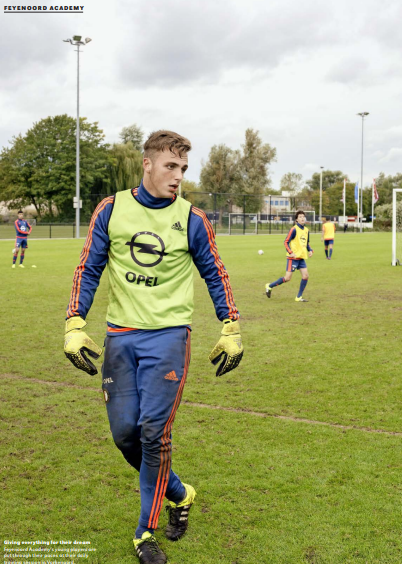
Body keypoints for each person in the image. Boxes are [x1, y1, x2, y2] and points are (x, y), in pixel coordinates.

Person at [64, 130, 243, 564]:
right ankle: (180, 493)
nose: (178, 176)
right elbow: (89, 266)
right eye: (170, 166)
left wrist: (230, 325)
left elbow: (215, 273)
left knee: (153, 435)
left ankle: (145, 533)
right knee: (126, 434)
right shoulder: (111, 209)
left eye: (183, 168)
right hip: (120, 337)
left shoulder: (194, 219)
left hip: (168, 338)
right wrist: (74, 321)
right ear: (146, 164)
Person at [265, 210, 313, 302]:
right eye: (300, 217)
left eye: (303, 216)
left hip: (301, 258)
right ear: (296, 220)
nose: (302, 218)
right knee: (287, 278)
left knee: (306, 276)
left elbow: (306, 243)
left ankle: (298, 297)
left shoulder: (306, 230)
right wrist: (290, 252)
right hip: (293, 258)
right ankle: (269, 286)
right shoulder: (294, 229)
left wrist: (310, 250)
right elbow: (286, 242)